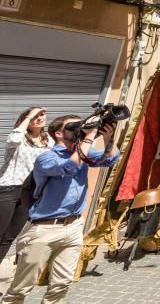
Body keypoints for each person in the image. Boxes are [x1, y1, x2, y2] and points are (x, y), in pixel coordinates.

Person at [1, 113, 119, 304]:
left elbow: (111, 159)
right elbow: (70, 166)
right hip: (43, 229)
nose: (80, 128)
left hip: (73, 227)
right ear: (58, 133)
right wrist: (89, 136)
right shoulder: (46, 158)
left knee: (61, 284)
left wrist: (107, 136)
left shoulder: (84, 152)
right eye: (74, 126)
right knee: (22, 287)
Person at [0, 107, 48, 263]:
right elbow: (13, 139)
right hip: (8, 188)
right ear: (26, 120)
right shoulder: (20, 138)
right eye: (36, 116)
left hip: (30, 192)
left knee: (9, 237)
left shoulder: (49, 141)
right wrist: (29, 116)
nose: (40, 118)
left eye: (42, 115)